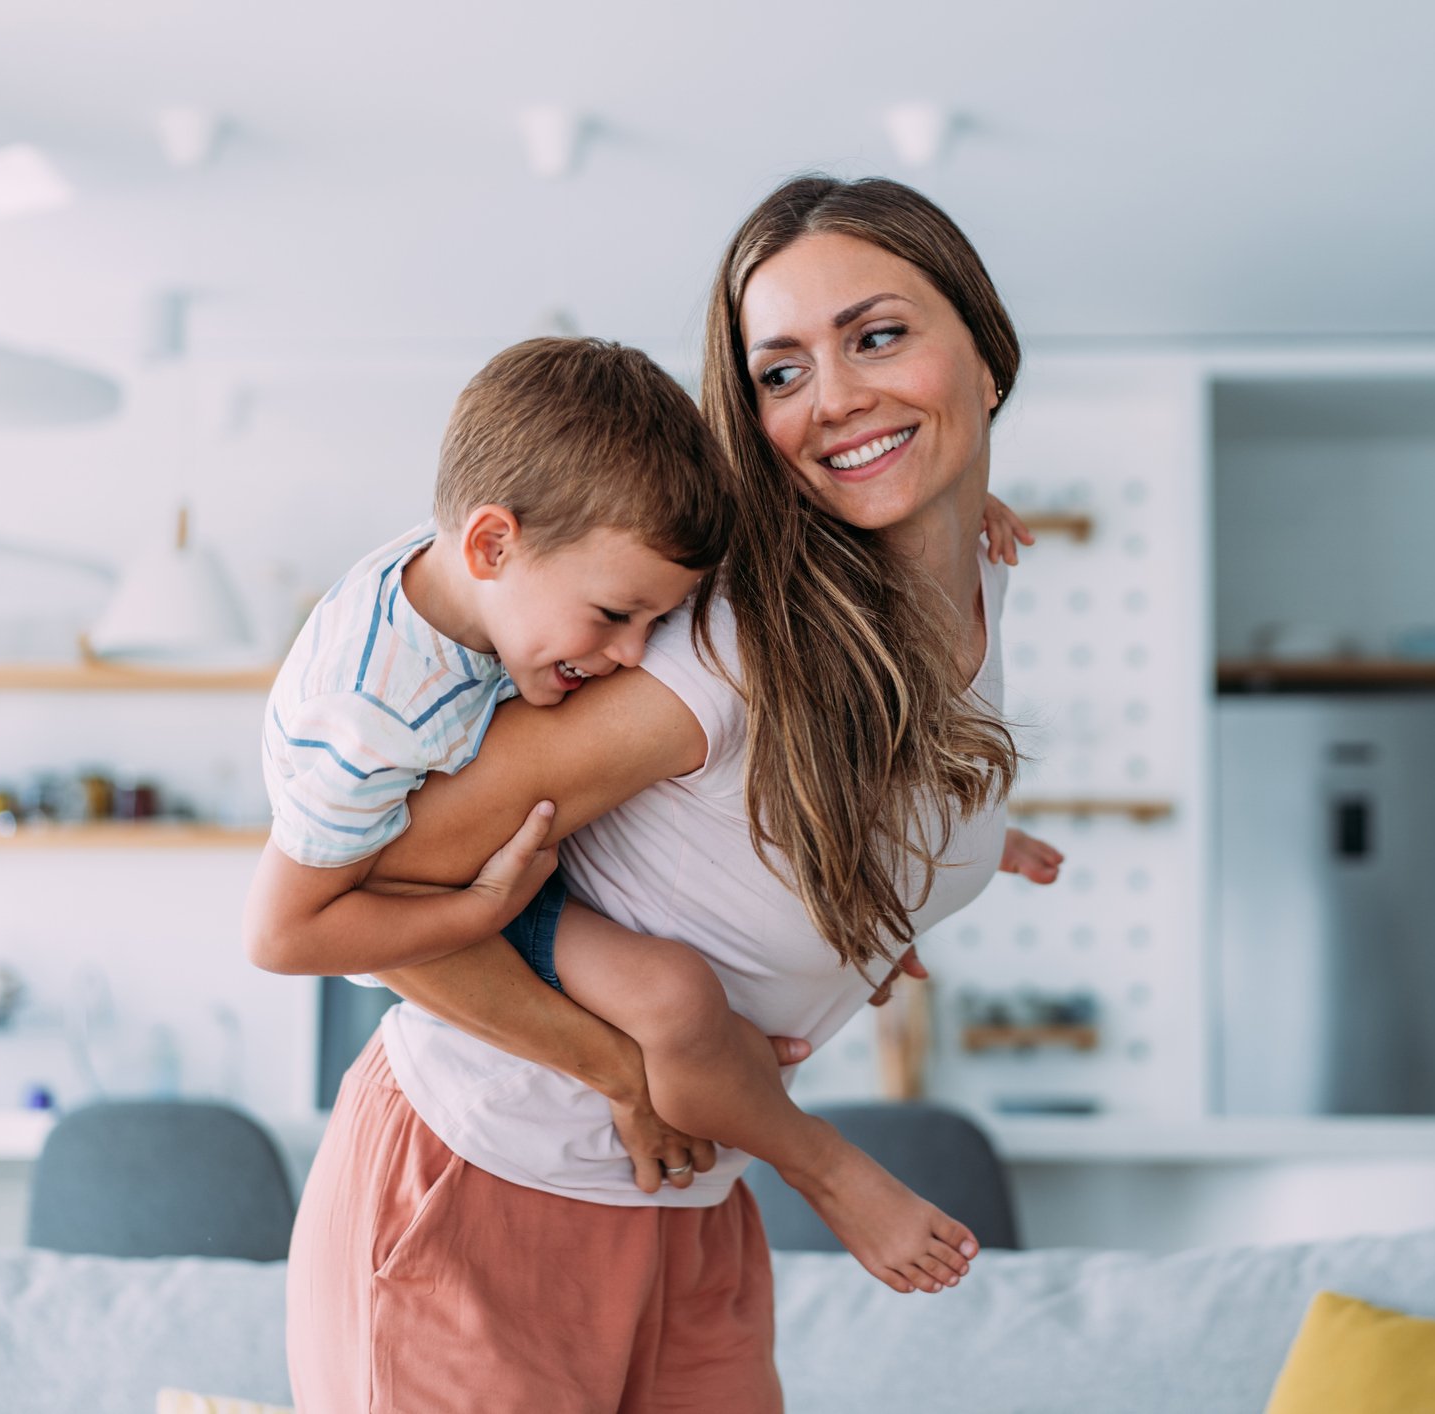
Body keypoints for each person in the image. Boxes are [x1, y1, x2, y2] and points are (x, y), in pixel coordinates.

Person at [285, 174, 1062, 1413]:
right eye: (780, 373)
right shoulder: (717, 653)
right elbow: (363, 891)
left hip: (690, 1195)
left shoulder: (973, 574)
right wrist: (620, 1067)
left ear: (986, 347)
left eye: (878, 337)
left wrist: (895, 891)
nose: (839, 398)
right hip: (486, 1172)